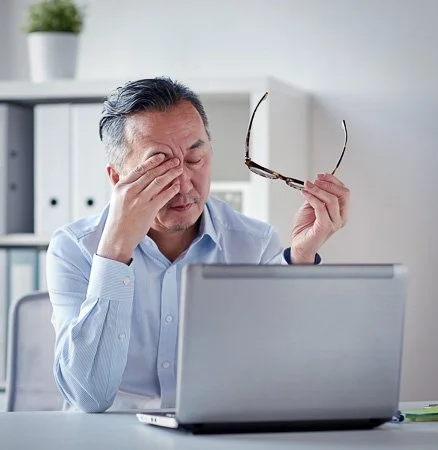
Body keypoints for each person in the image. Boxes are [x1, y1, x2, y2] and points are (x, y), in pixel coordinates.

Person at [47, 77, 350, 413]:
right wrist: (115, 253)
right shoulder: (74, 248)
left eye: (195, 160)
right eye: (159, 166)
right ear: (118, 179)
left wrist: (302, 257)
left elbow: (288, 375)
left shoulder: (254, 244)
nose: (184, 183)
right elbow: (88, 397)